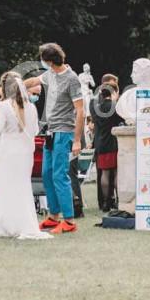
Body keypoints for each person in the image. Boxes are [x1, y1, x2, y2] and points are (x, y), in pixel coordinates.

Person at [0, 72, 52, 239]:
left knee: (7, 186)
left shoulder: (5, 105)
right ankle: (23, 223)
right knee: (23, 186)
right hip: (25, 152)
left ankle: (8, 224)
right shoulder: (31, 107)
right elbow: (35, 130)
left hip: (9, 151)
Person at [38, 43, 84, 234]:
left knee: (59, 175)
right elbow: (34, 81)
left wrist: (77, 140)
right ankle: (53, 216)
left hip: (64, 132)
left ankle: (69, 220)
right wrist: (15, 84)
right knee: (47, 174)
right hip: (50, 131)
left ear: (50, 61)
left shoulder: (72, 79)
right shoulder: (50, 74)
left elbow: (80, 111)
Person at [91, 75, 123, 213]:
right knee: (116, 173)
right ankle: (119, 200)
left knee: (104, 173)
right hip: (113, 142)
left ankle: (105, 202)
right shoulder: (115, 107)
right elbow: (122, 121)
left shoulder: (97, 107)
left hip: (101, 142)